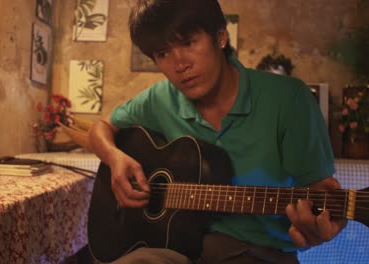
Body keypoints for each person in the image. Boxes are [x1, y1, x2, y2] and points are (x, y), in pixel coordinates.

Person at [88, 0, 347, 263]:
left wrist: (317, 225)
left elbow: (320, 195)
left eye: (189, 43)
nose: (179, 65)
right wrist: (115, 158)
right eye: (162, 53)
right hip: (173, 246)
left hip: (259, 252)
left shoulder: (289, 99)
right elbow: (102, 128)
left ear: (221, 36)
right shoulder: (160, 99)